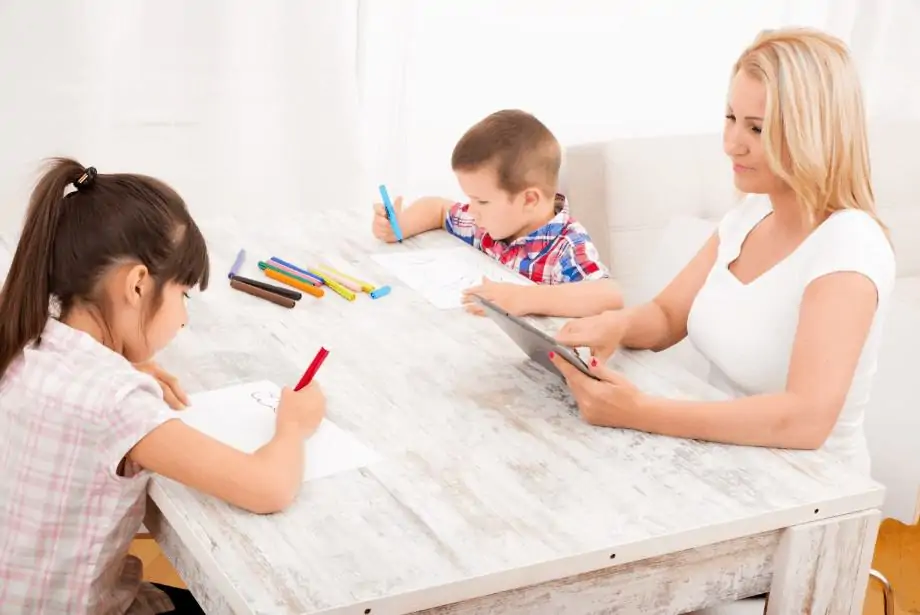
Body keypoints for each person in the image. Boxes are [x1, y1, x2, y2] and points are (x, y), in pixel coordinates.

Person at [551, 28, 894, 473]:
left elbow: (804, 422)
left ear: (815, 134)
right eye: (731, 118)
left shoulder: (849, 246)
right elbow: (669, 315)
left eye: (757, 128)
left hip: (809, 489)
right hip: (725, 460)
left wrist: (637, 412)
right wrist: (613, 325)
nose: (732, 143)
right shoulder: (751, 213)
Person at [0, 159, 326, 614]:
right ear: (136, 285)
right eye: (183, 294)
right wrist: (292, 426)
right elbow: (267, 487)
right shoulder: (118, 402)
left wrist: (123, 371)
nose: (185, 317)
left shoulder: (22, 340)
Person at [371, 109, 623, 318]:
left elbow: (610, 296)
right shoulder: (486, 222)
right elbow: (437, 208)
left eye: (481, 200)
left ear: (529, 200)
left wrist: (524, 297)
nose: (471, 209)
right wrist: (400, 225)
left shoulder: (565, 246)